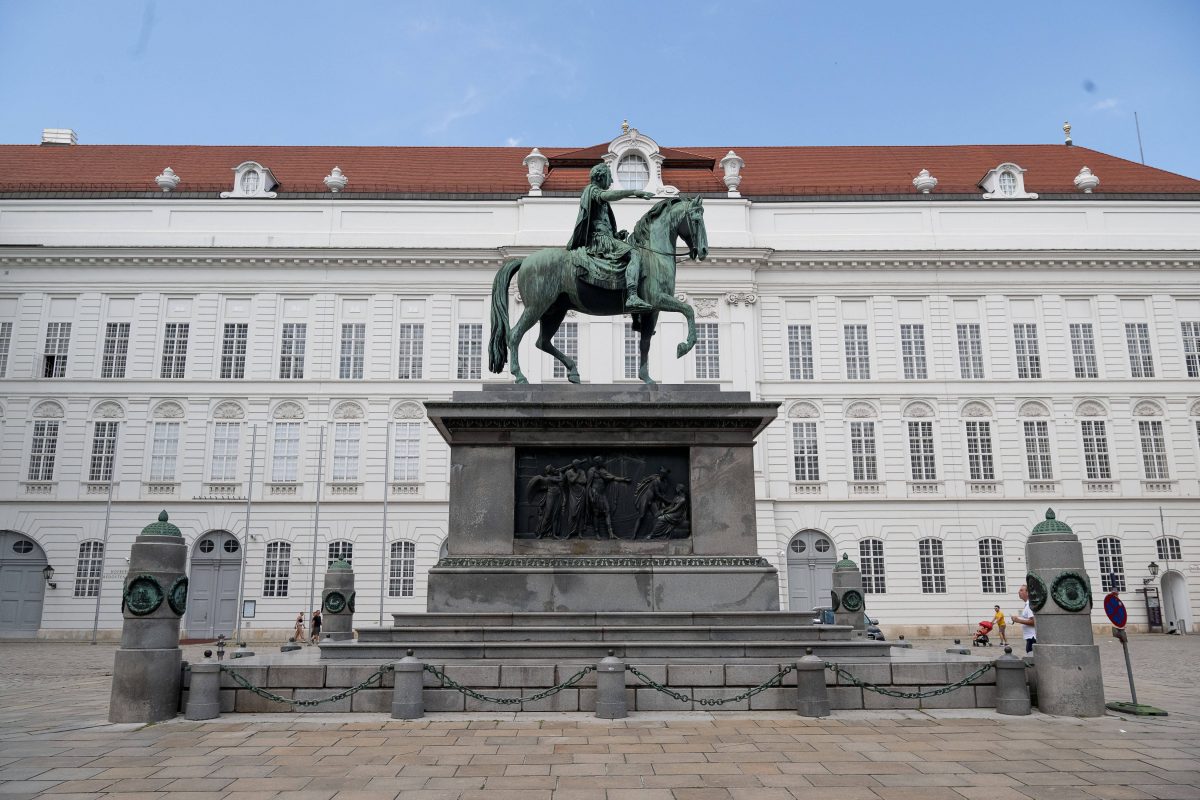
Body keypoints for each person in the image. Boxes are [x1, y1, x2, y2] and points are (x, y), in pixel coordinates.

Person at [567, 162, 656, 311]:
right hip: (599, 240)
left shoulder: (596, 195)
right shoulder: (592, 190)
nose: (612, 181)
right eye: (610, 177)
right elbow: (607, 196)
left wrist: (615, 235)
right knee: (634, 253)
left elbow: (599, 221)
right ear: (601, 177)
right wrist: (634, 191)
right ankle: (632, 295)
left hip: (606, 238)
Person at [1013, 584, 1036, 653]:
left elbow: (1033, 622)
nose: (1019, 592)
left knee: (1031, 659)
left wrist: (1018, 620)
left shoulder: (1029, 605)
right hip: (1030, 637)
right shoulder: (1027, 604)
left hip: (1032, 637)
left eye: (1021, 590)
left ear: (1027, 593)